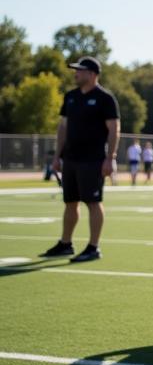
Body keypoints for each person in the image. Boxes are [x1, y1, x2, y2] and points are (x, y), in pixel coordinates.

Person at [38, 57, 119, 263]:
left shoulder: (105, 98)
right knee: (70, 202)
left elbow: (114, 129)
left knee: (93, 201)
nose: (75, 74)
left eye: (80, 71)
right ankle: (66, 243)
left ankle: (93, 247)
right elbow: (63, 127)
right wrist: (57, 156)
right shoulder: (71, 96)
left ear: (92, 74)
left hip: (93, 160)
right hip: (71, 159)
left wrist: (110, 159)